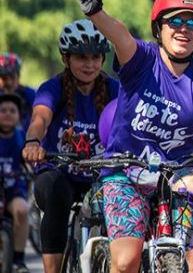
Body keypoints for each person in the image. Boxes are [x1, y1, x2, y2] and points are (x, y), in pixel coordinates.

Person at [73, 0, 193, 273]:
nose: (183, 29)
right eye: (174, 21)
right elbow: (119, 34)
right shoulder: (141, 59)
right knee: (125, 263)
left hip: (176, 169)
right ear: (158, 28)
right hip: (125, 170)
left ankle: (192, 268)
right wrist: (96, 13)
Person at [21, 19, 118, 273]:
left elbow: (131, 122)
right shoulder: (52, 88)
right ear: (66, 58)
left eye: (96, 57)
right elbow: (40, 118)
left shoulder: (114, 90)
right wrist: (33, 141)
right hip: (59, 174)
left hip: (100, 177)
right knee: (55, 192)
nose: (90, 64)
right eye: (81, 57)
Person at [0, 93, 30, 273]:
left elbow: (28, 160)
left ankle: (19, 260)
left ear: (19, 115)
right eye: (3, 111)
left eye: (12, 110)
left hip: (13, 189)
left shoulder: (21, 137)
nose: (8, 114)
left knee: (22, 210)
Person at [0, 52, 37, 130]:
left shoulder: (28, 93)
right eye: (4, 78)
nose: (8, 82)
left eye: (12, 77)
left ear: (18, 76)